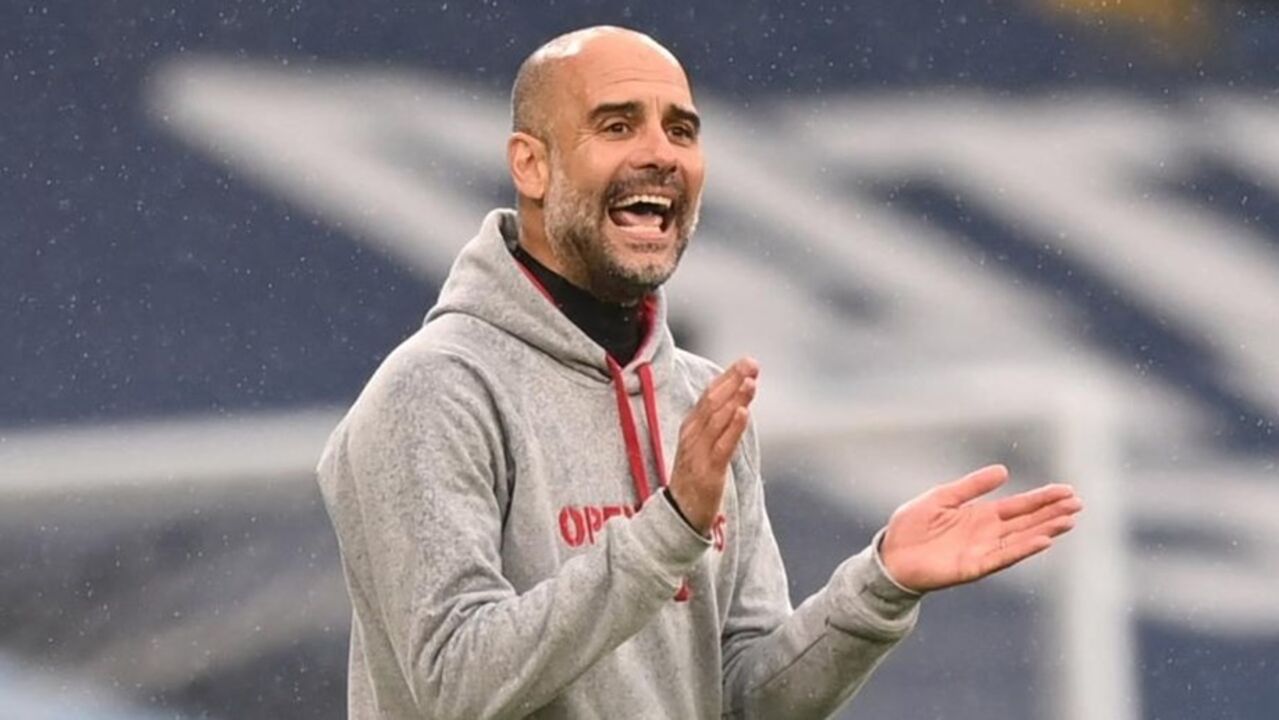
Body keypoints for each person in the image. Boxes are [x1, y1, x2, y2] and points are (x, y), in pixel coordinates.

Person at [316, 25, 1083, 720]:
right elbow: (453, 685)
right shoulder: (436, 389)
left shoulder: (696, 400)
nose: (660, 153)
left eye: (680, 130)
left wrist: (878, 587)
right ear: (531, 164)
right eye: (617, 125)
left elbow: (744, 698)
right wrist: (669, 528)